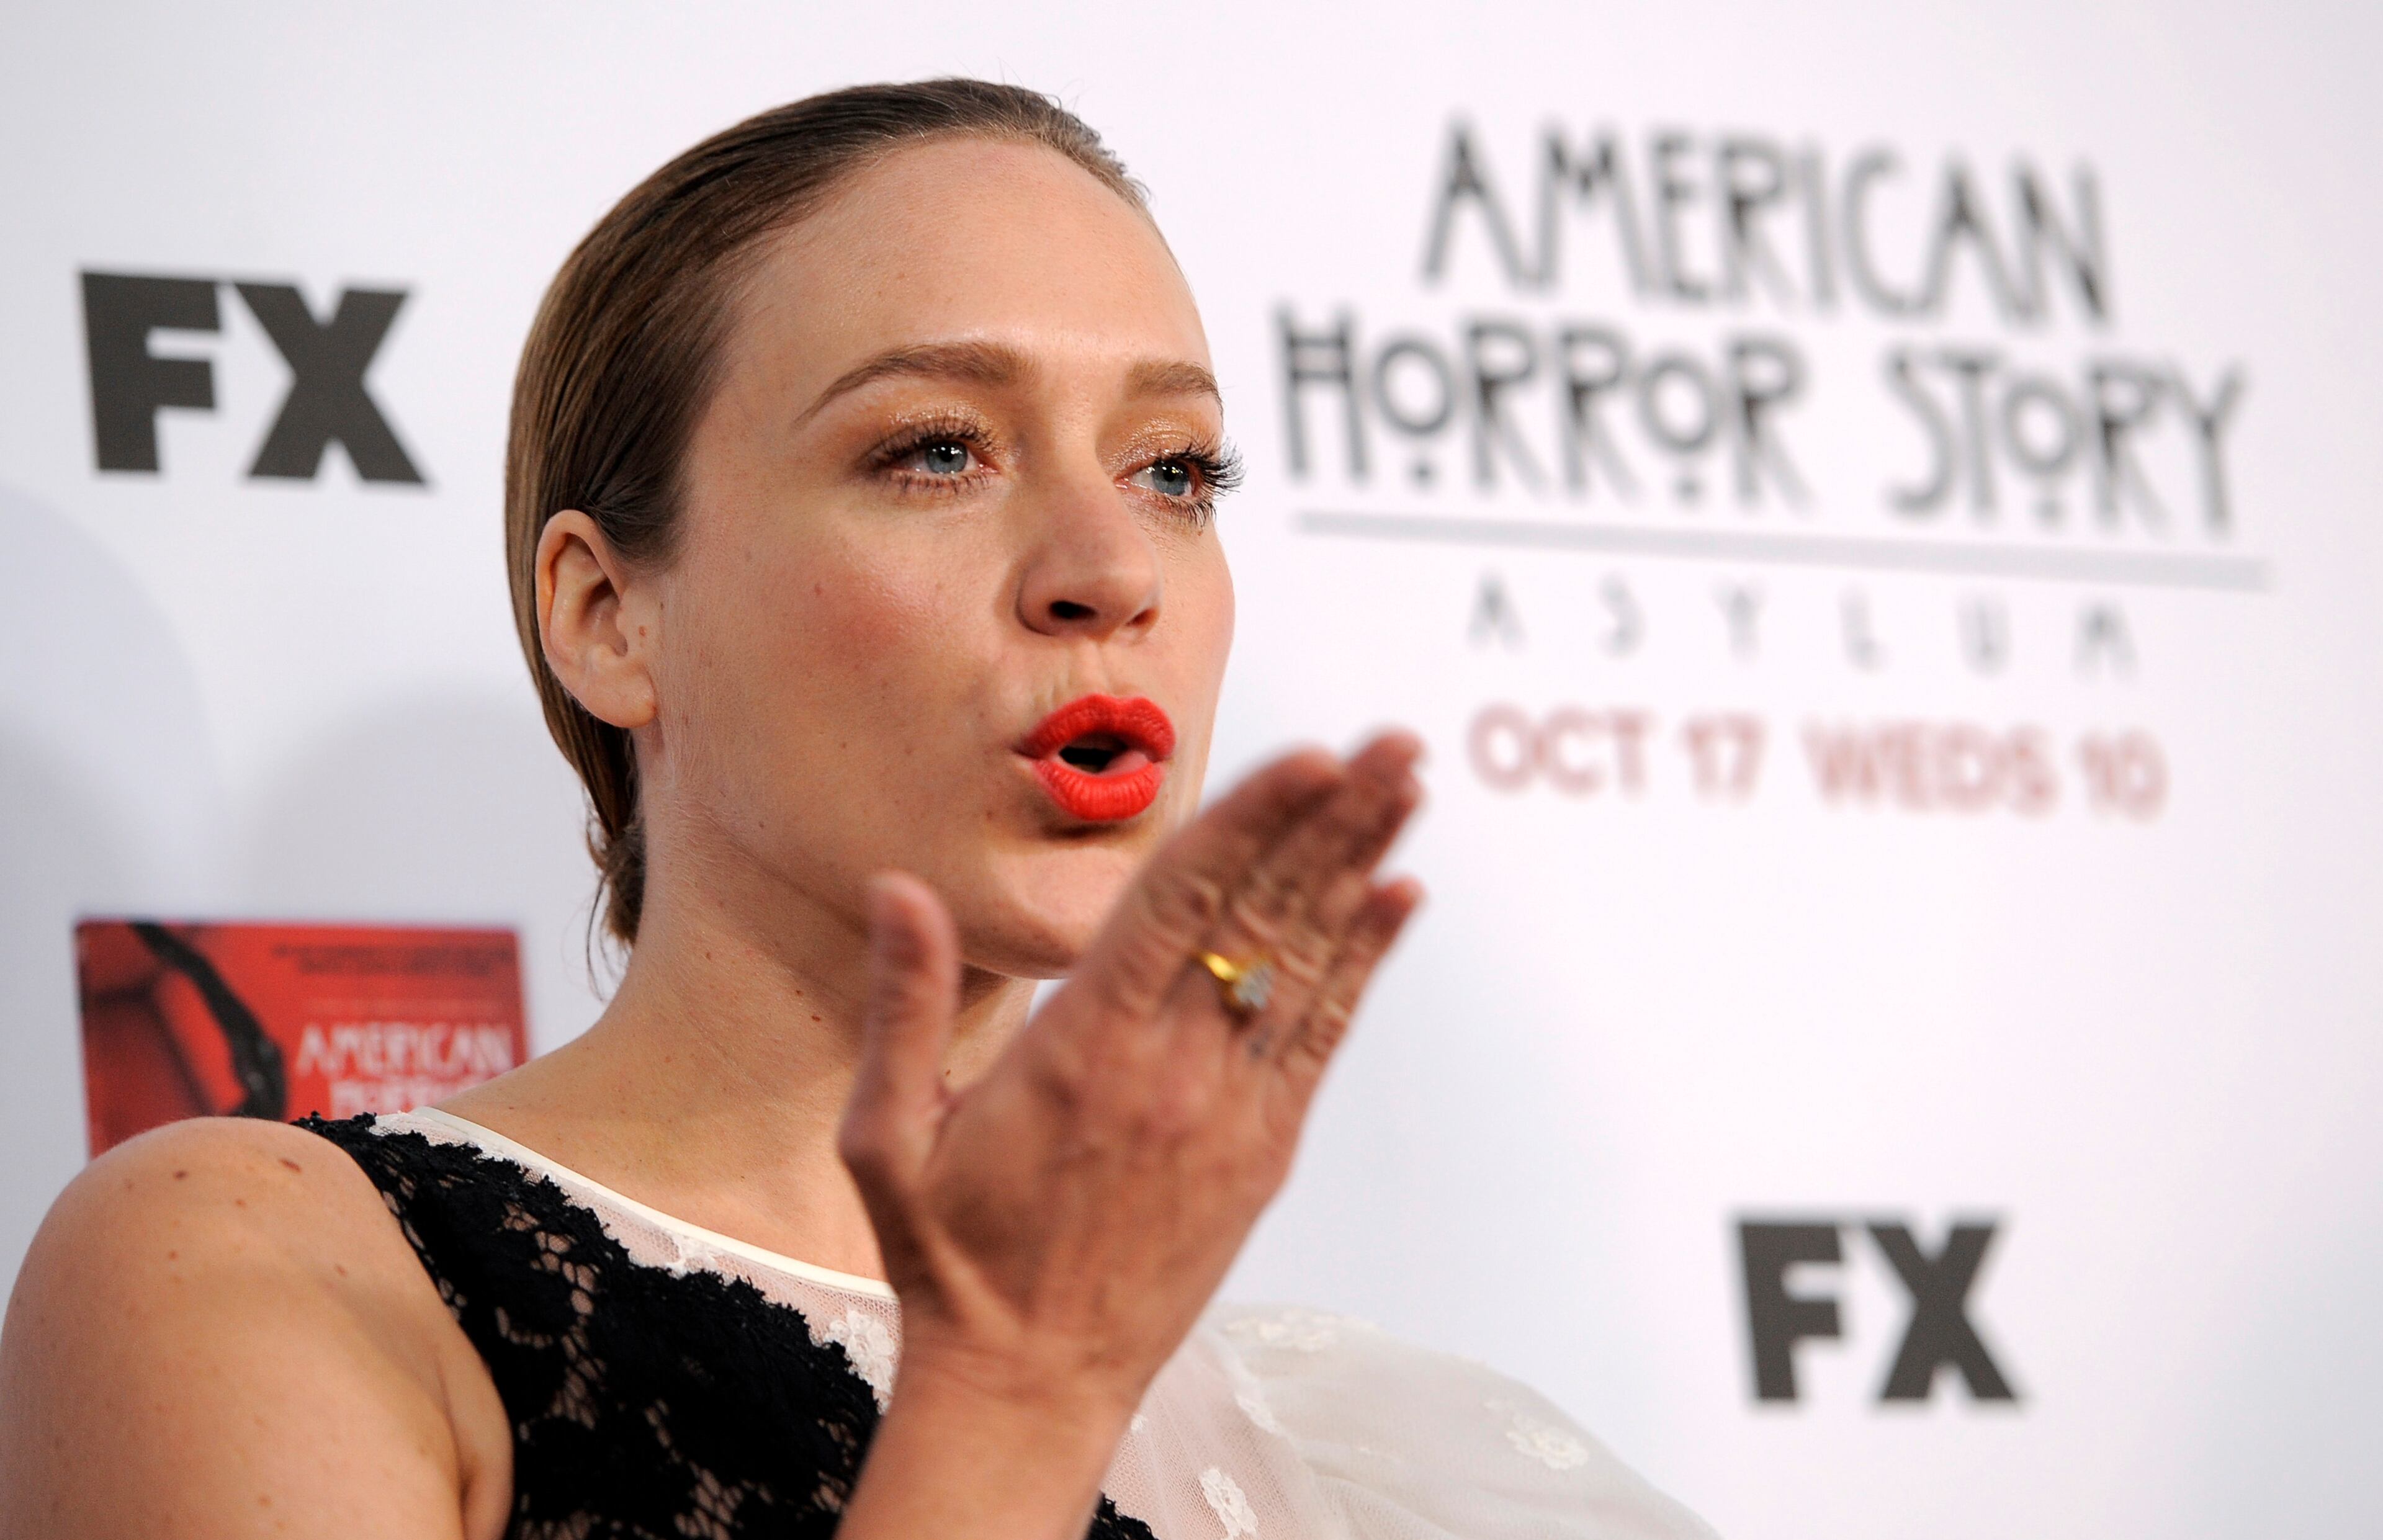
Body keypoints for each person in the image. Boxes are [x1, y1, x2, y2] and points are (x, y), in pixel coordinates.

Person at [0, 80, 1715, 1540]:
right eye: (937, 449)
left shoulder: (1378, 1447)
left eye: (1174, 470)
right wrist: (1014, 1403)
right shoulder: (265, 1273)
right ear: (611, 617)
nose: (1110, 568)